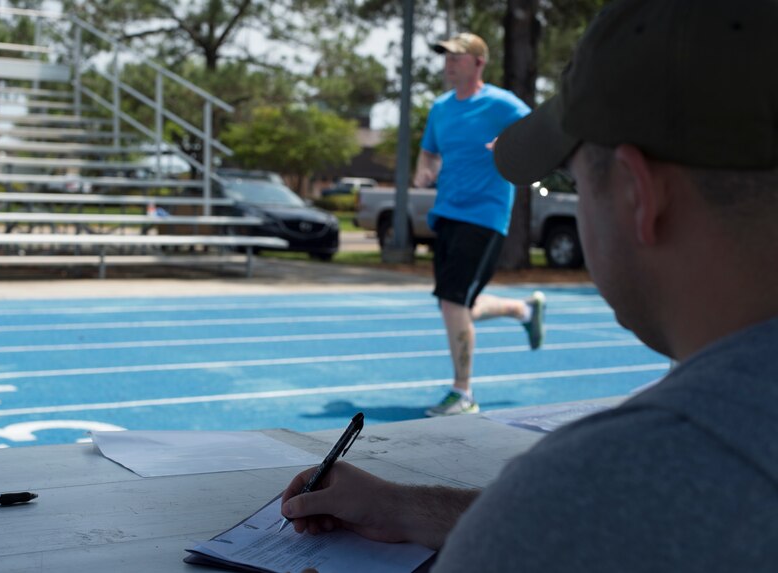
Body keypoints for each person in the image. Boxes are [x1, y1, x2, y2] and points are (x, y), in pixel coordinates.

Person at [280, 0, 778, 570]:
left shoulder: (611, 479)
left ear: (640, 195)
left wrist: (521, 514)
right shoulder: (657, 492)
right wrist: (407, 507)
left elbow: (576, 518)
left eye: (573, 174)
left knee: (454, 303)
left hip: (476, 221)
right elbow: (603, 527)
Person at [415, 32, 546, 417]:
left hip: (485, 214)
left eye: (457, 56)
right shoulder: (440, 108)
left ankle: (463, 393)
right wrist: (425, 171)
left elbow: (541, 131)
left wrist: (511, 147)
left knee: (453, 301)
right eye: (446, 56)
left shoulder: (502, 104)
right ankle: (523, 311)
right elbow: (428, 151)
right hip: (448, 213)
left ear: (478, 62)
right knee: (455, 305)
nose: (449, 62)